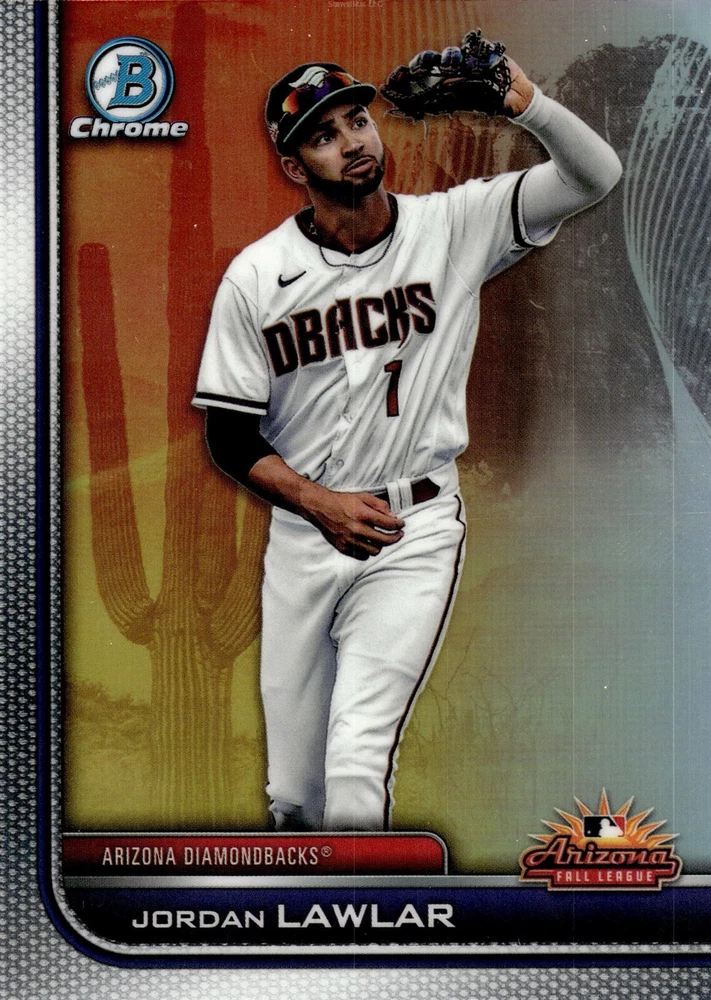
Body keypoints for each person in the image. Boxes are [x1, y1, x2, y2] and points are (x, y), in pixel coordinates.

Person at [192, 51, 622, 831]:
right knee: (295, 794)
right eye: (322, 135)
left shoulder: (453, 224)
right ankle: (308, 896)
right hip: (303, 535)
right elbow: (228, 433)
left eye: (357, 120)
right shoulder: (258, 275)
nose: (352, 141)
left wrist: (526, 104)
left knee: (357, 754)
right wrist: (315, 502)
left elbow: (595, 175)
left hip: (412, 528)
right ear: (293, 166)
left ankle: (365, 908)